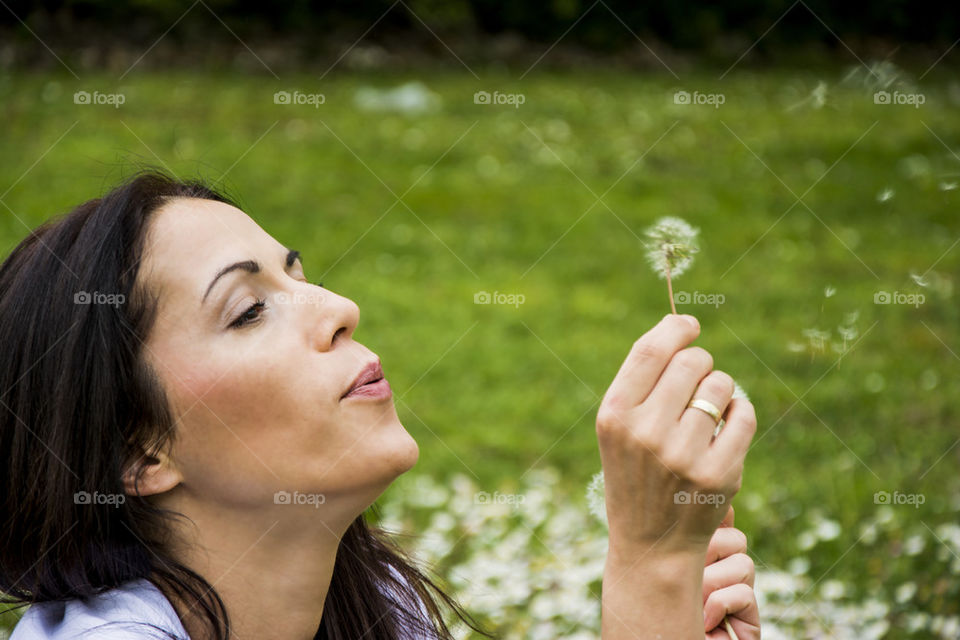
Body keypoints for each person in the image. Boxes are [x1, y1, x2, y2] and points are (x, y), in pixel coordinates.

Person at [0, 171, 759, 639]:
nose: (339, 307)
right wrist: (651, 569)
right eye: (248, 310)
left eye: (299, 276)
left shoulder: (375, 606)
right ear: (138, 452)